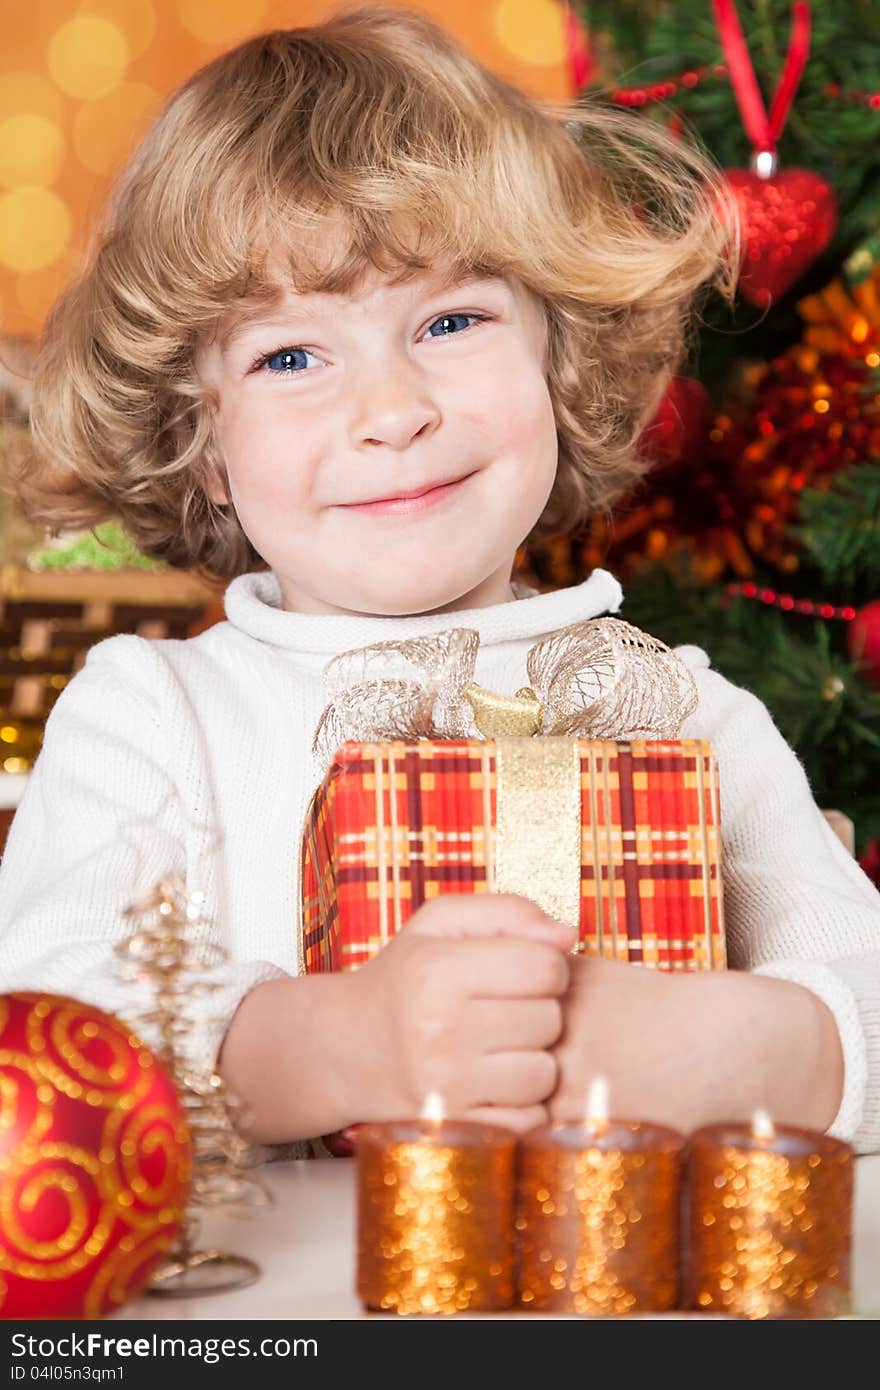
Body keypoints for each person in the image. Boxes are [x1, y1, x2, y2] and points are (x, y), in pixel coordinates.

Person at [2, 5, 879, 1156]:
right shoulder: (149, 718)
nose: (392, 411)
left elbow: (858, 984)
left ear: (558, 364)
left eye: (453, 318)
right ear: (203, 446)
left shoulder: (691, 712)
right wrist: (334, 1046)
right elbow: (53, 1038)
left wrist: (737, 1046)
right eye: (289, 356)